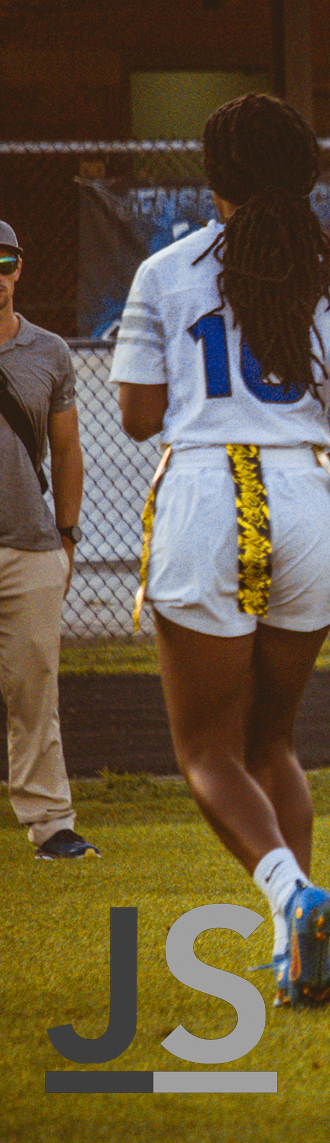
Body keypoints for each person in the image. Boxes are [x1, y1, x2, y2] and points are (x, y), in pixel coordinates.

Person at [110, 94, 330, 1007]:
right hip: (311, 494)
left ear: (214, 176)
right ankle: (294, 949)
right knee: (273, 737)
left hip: (202, 492)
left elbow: (139, 417)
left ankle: (289, 893)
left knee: (205, 749)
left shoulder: (165, 270)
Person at [0, 219, 96, 861]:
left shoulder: (49, 352)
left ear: (18, 268)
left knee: (35, 687)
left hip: (29, 543)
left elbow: (66, 449)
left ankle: (51, 824)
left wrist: (65, 536)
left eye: (4, 260)